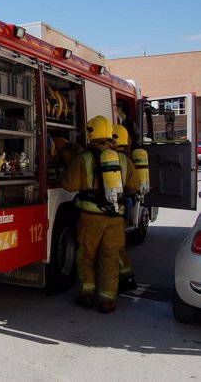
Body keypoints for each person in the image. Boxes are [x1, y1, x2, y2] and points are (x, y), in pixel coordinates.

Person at [62, 116, 139, 313]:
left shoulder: (84, 158)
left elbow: (69, 185)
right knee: (110, 257)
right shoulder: (122, 159)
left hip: (90, 218)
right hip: (115, 219)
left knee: (86, 255)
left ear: (91, 133)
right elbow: (134, 186)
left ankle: (86, 295)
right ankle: (107, 301)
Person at [112, 124, 137, 292]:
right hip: (122, 208)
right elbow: (134, 187)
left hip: (105, 209)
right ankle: (126, 278)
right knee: (117, 247)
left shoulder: (104, 157)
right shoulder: (127, 159)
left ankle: (119, 279)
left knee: (110, 249)